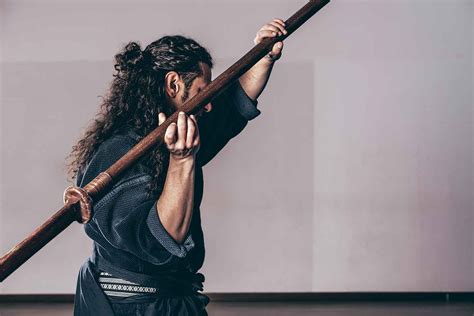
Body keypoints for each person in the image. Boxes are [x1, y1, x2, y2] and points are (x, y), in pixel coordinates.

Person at [67, 18, 287, 315]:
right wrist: (182, 161)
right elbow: (162, 239)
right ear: (173, 84)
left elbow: (229, 106)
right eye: (201, 92)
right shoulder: (118, 153)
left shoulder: (168, 134)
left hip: (165, 299)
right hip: (133, 308)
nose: (207, 105)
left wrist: (264, 55)